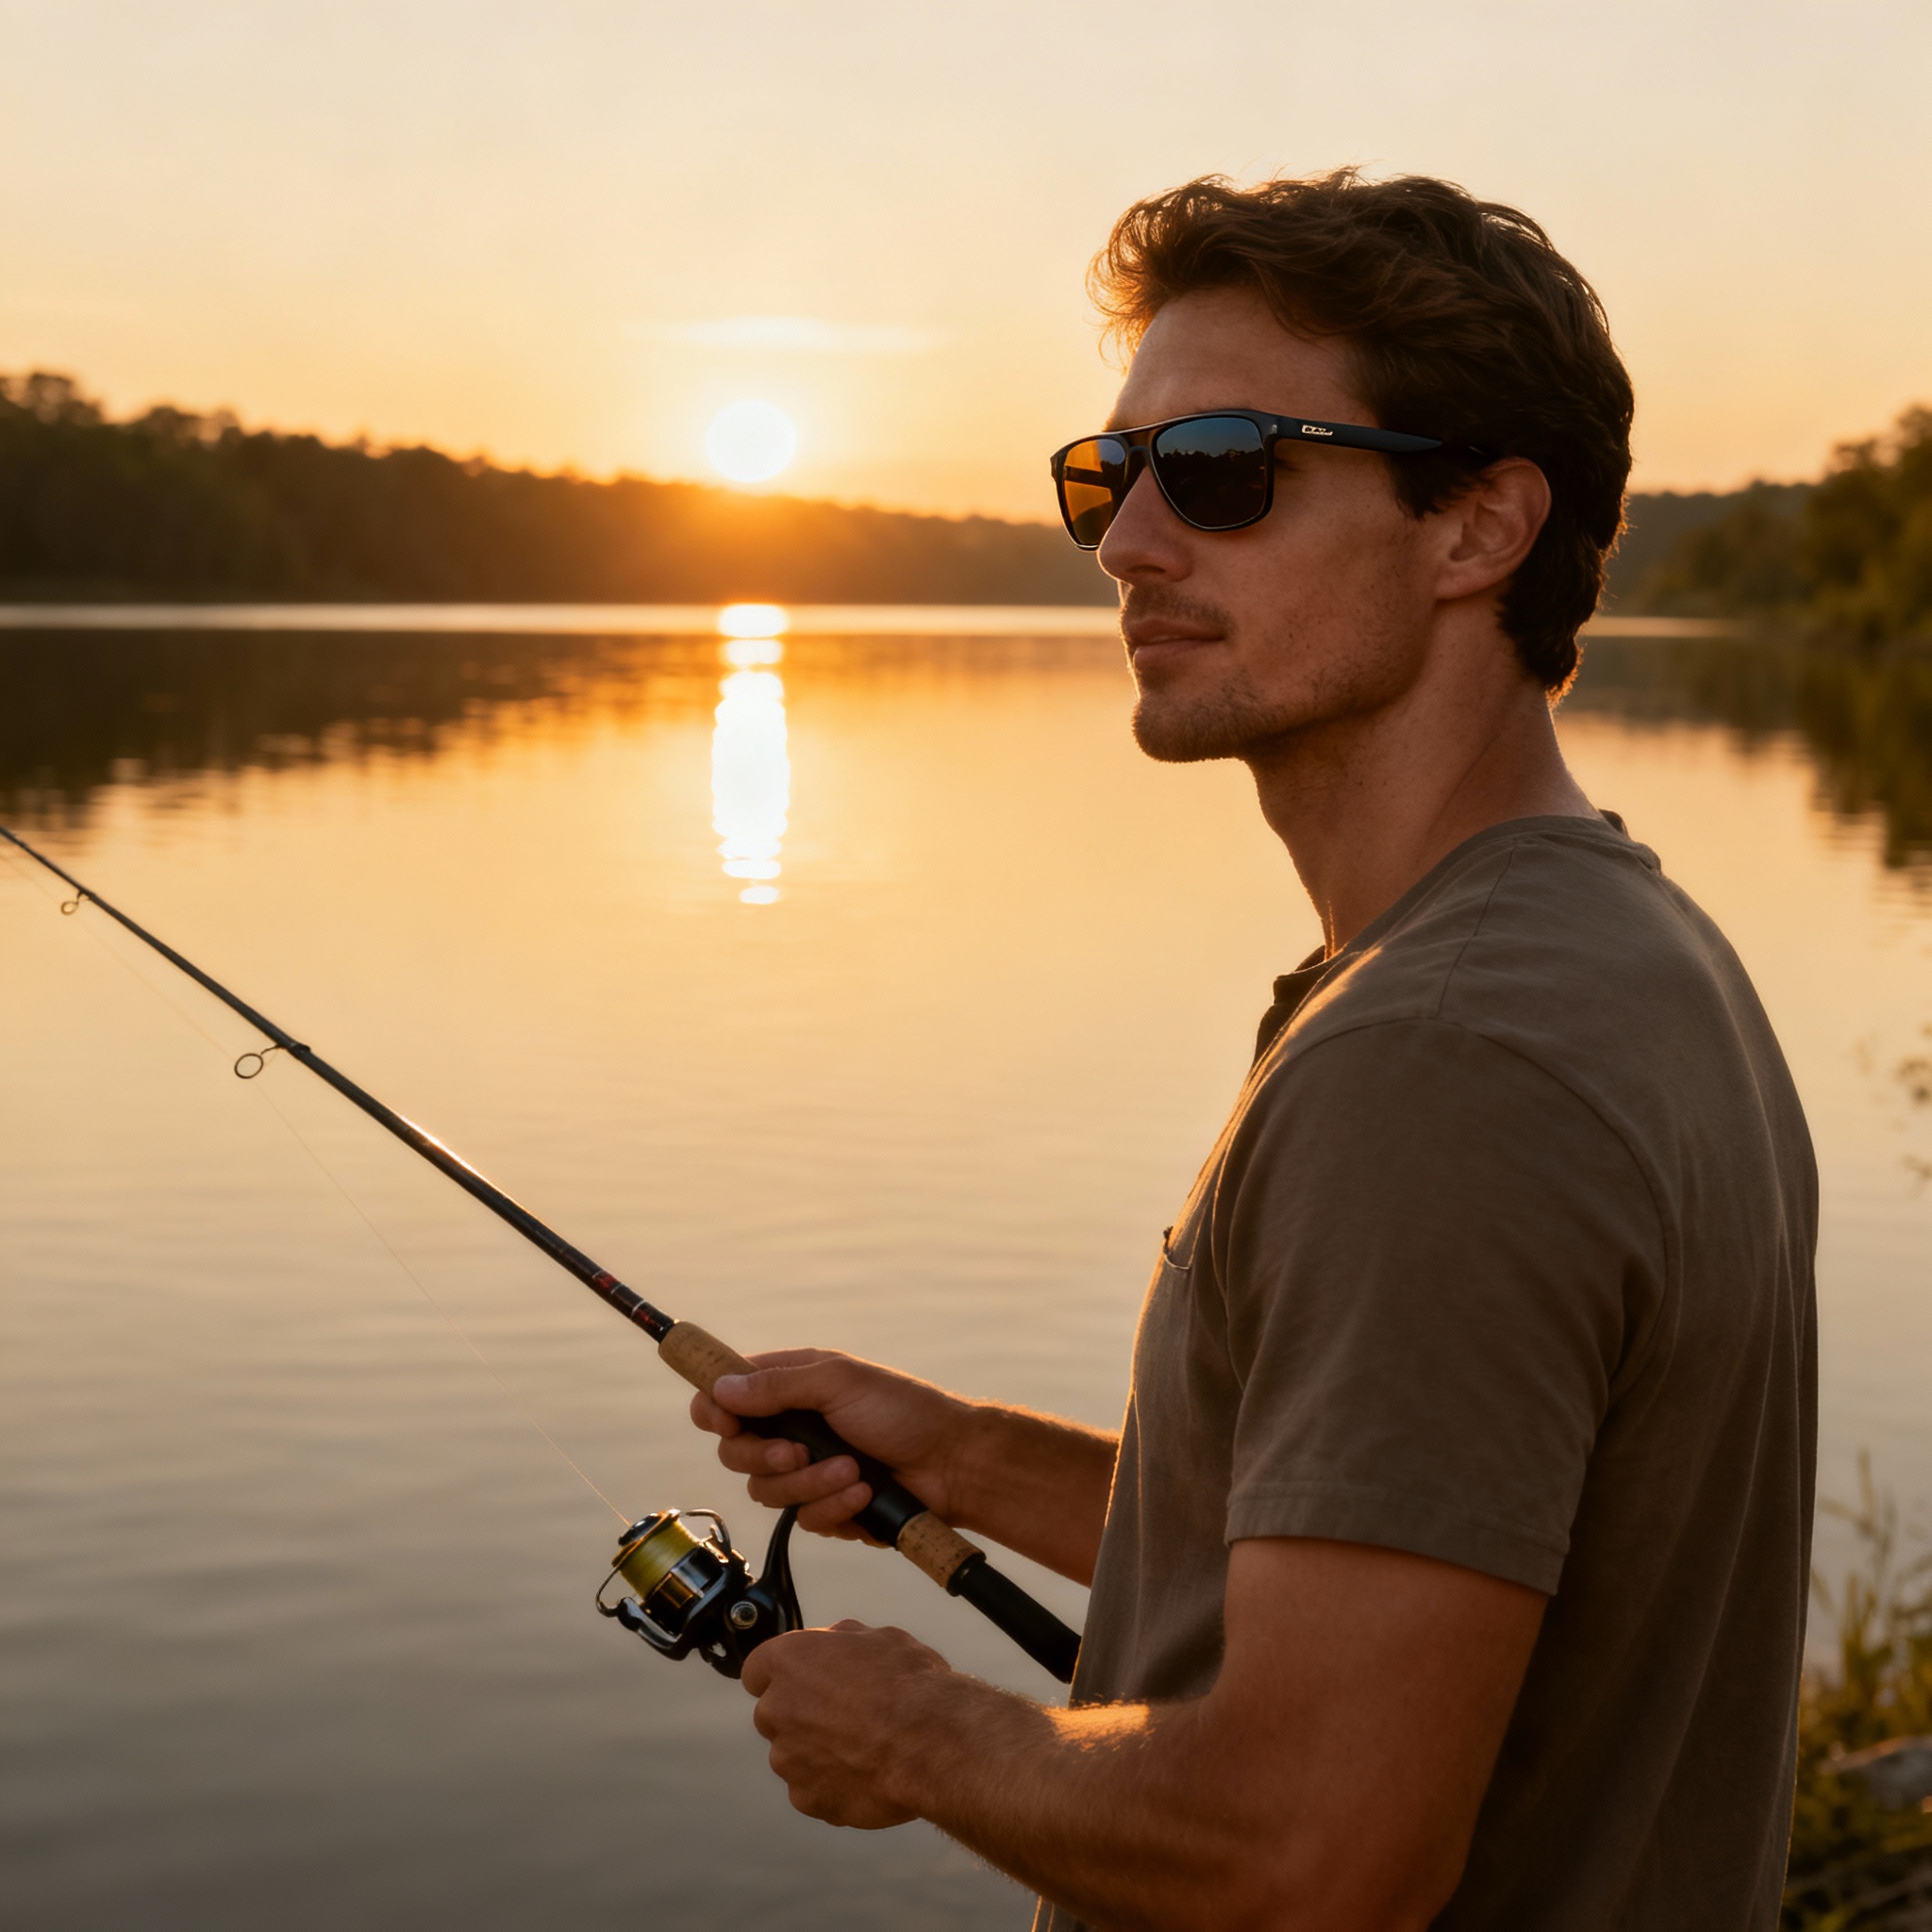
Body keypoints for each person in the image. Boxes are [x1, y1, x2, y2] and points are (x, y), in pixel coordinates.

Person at [689, 170, 1817, 1931]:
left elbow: (1317, 1858)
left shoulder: (1444, 1063)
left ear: (1477, 529)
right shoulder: (1622, 957)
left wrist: (918, 1737)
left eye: (1220, 469)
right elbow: (1421, 1542)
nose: (1131, 544)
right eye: (1107, 476)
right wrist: (968, 1459)